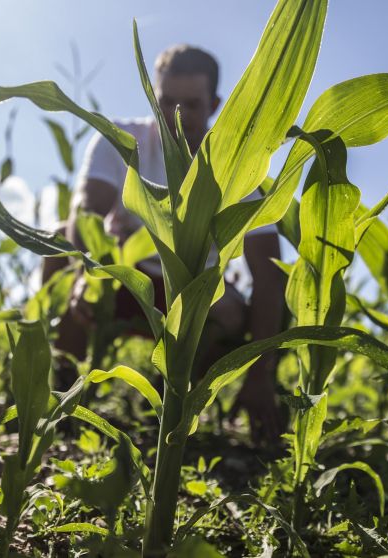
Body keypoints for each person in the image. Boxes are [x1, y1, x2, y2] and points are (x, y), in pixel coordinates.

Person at [42, 44, 285, 444]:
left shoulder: (240, 173)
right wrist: (87, 273)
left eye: (191, 105)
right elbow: (86, 212)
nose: (177, 116)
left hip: (193, 298)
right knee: (58, 238)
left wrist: (260, 374)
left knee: (229, 313)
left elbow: (269, 276)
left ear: (214, 104)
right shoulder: (122, 140)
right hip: (127, 280)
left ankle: (175, 414)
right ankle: (62, 388)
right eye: (166, 102)